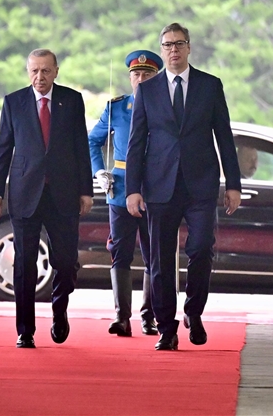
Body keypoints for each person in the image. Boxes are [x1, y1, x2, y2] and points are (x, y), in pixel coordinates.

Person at [125, 23, 242, 351]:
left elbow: (224, 136)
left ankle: (194, 311)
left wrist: (233, 184)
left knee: (202, 248)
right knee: (160, 260)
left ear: (189, 47)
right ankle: (166, 326)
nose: (173, 50)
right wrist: (132, 188)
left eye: (179, 44)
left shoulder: (209, 86)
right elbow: (136, 143)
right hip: (159, 186)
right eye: (167, 45)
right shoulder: (147, 90)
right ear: (161, 50)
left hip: (201, 184)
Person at [0, 48, 93, 348]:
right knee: (24, 264)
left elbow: (81, 149)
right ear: (28, 72)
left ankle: (59, 312)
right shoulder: (14, 102)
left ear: (56, 71)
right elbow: (3, 150)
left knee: (66, 260)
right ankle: (26, 330)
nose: (39, 77)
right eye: (34, 71)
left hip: (63, 194)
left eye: (45, 71)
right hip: (24, 194)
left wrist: (86, 191)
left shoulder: (71, 101)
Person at [89, 50, 163, 337]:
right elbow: (92, 141)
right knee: (119, 252)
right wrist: (99, 172)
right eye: (136, 74)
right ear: (130, 77)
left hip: (155, 188)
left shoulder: (166, 107)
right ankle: (122, 317)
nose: (141, 79)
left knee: (154, 255)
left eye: (147, 75)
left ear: (157, 78)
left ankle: (150, 316)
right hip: (119, 188)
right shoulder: (117, 108)